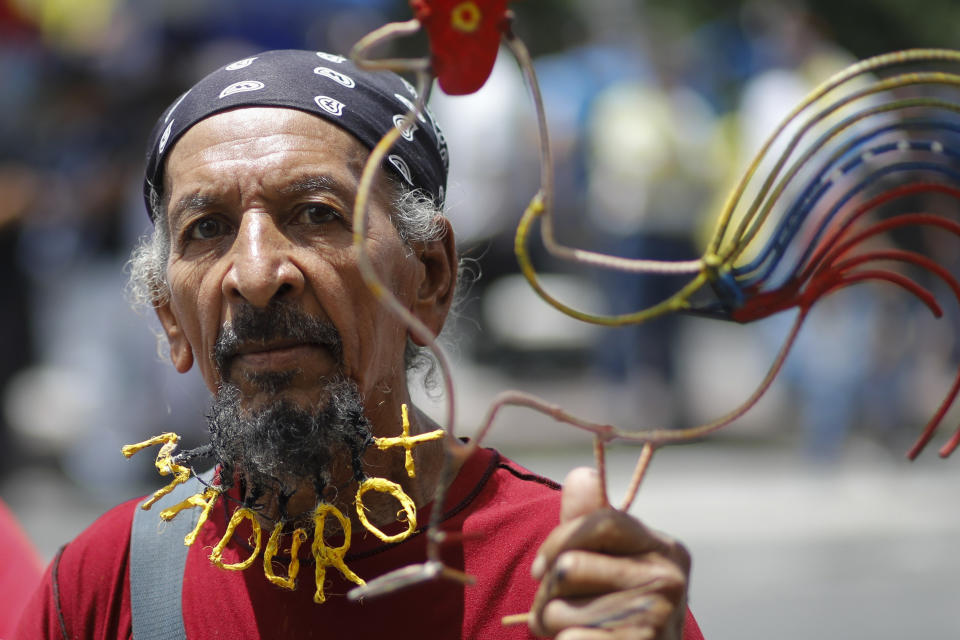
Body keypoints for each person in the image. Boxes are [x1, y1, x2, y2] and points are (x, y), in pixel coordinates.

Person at [14, 50, 703, 639]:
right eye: (207, 228)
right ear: (170, 316)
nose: (256, 277)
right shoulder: (110, 585)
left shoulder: (571, 576)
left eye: (316, 215)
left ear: (427, 275)